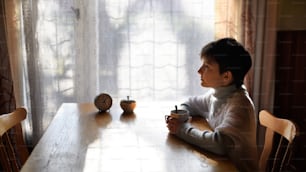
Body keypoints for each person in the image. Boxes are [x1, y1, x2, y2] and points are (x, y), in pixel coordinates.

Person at [166, 38, 258, 172]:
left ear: (226, 77)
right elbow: (190, 103)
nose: (199, 71)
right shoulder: (216, 94)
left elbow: (219, 144)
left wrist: (181, 129)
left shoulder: (240, 106)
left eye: (207, 67)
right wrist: (181, 116)